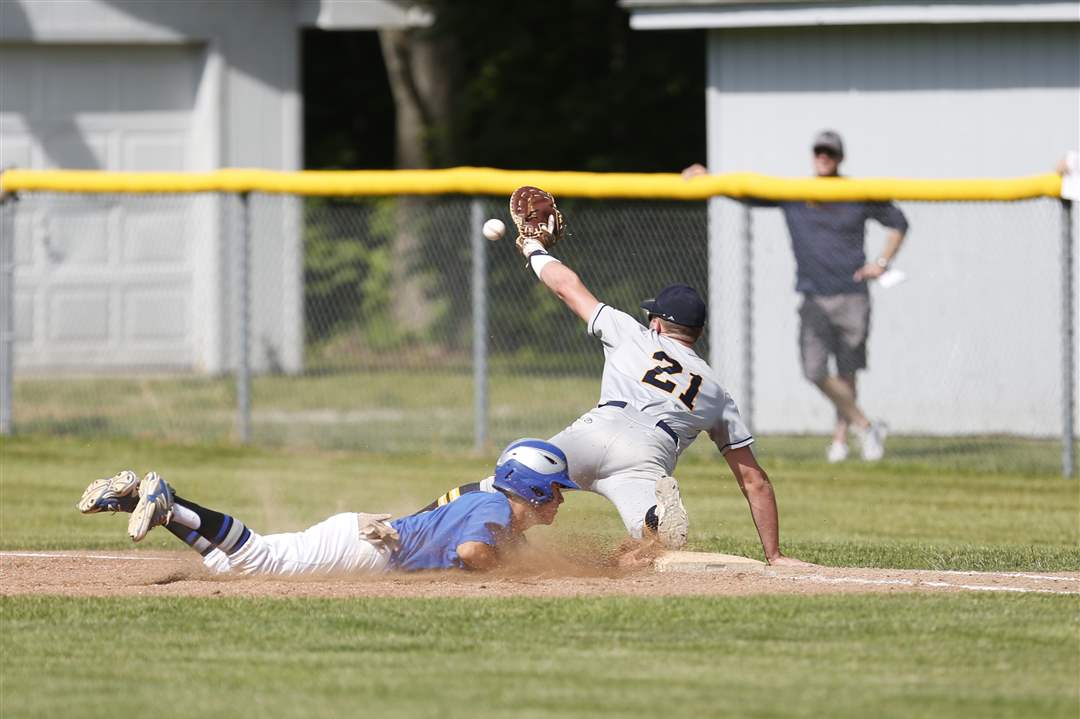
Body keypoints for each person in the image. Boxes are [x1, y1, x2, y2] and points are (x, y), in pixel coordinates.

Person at [426, 187, 807, 567]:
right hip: (647, 455)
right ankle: (654, 521)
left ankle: (419, 527)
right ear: (696, 334)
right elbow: (753, 480)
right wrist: (773, 554)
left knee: (508, 487)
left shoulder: (634, 334)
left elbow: (567, 287)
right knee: (654, 545)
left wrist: (533, 249)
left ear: (658, 324)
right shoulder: (717, 393)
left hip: (594, 431)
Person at [684, 129, 909, 463]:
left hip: (852, 295)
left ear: (840, 158)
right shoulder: (795, 192)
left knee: (847, 373)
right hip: (813, 297)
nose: (824, 157)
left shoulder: (855, 192)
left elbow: (899, 222)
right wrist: (710, 180)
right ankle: (867, 425)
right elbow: (747, 194)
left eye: (830, 153)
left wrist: (881, 263)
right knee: (814, 370)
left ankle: (841, 442)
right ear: (813, 155)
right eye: (819, 151)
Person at [76, 438, 579, 576]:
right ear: (531, 488)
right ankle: (166, 502)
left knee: (228, 569)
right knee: (261, 560)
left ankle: (137, 500)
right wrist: (507, 571)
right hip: (368, 549)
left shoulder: (493, 506)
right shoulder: (492, 511)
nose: (559, 498)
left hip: (366, 539)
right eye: (554, 489)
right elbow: (472, 553)